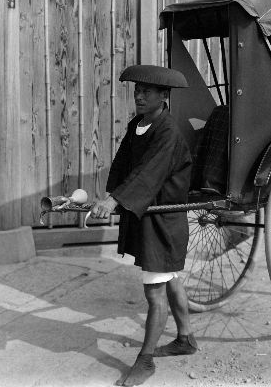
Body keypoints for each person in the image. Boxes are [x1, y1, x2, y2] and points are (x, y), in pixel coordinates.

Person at [88, 64, 198, 387]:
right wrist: (109, 195)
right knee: (171, 279)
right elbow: (125, 165)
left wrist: (114, 202)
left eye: (146, 92)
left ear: (163, 97)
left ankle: (145, 360)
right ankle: (186, 339)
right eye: (137, 91)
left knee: (154, 292)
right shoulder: (138, 125)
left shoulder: (168, 132)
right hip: (150, 215)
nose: (139, 96)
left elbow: (148, 173)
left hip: (164, 221)